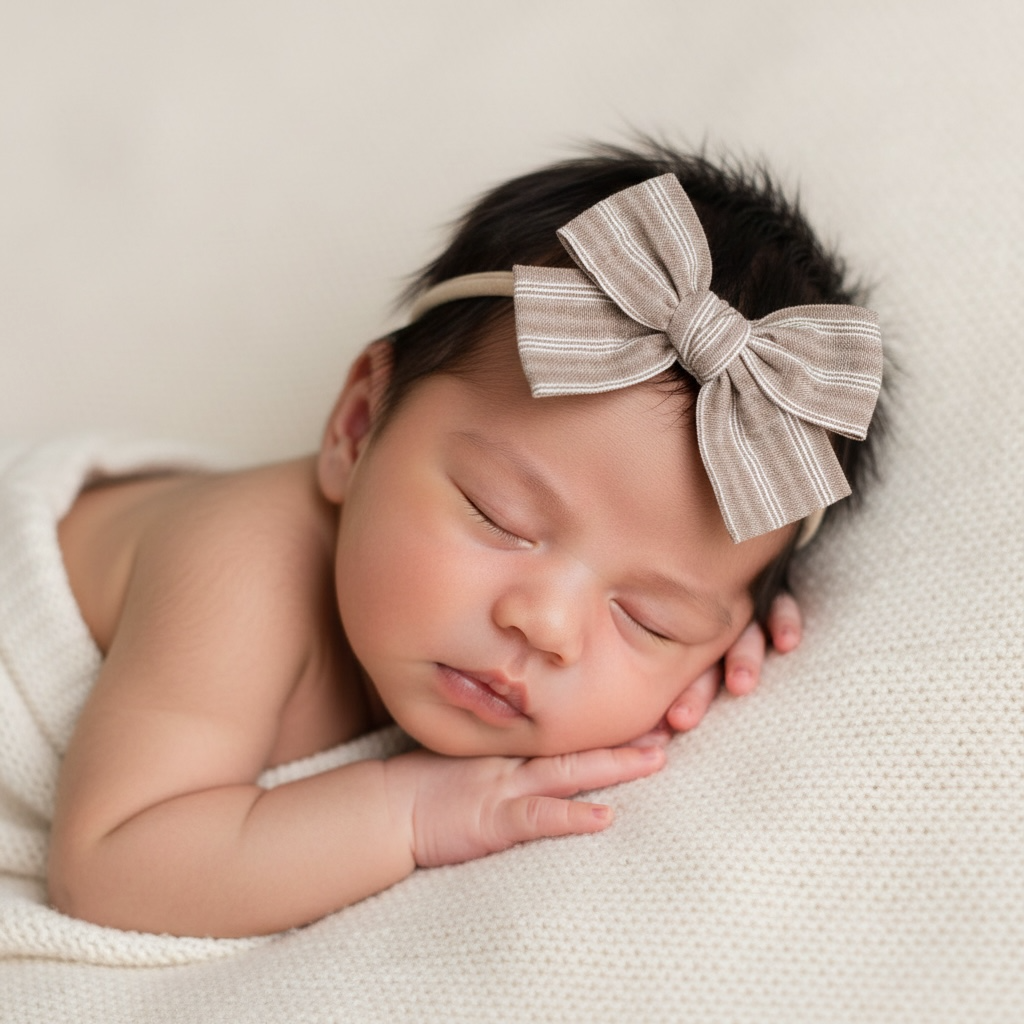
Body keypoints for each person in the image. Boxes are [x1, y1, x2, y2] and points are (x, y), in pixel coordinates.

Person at [44, 142, 884, 938]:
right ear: (359, 426)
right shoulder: (239, 566)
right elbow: (112, 866)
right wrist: (409, 812)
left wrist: (721, 651)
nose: (547, 627)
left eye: (651, 619)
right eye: (499, 517)